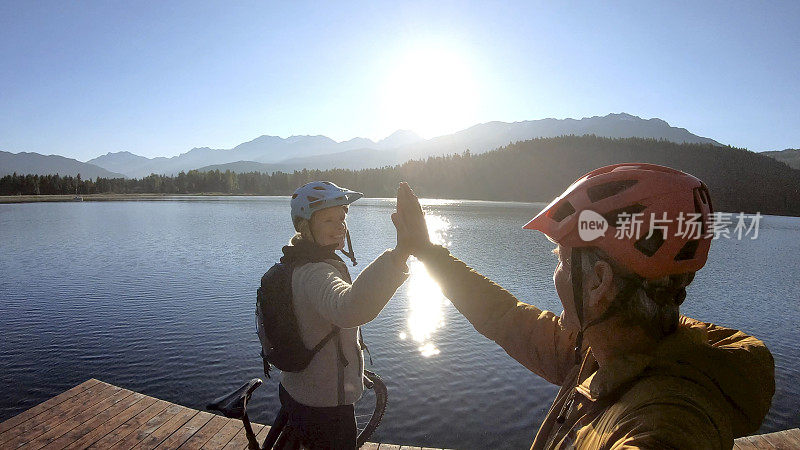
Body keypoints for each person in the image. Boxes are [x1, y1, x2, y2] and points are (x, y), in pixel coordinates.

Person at [391, 164, 774, 449]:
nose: (554, 274)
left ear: (599, 282)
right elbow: (505, 317)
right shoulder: (606, 349)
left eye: (559, 258)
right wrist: (428, 253)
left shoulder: (664, 424)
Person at [276, 181, 409, 449]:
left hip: (295, 388)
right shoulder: (317, 272)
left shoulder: (295, 262)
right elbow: (348, 309)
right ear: (304, 226)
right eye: (328, 219)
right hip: (324, 406)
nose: (340, 226)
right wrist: (400, 255)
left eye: (342, 217)